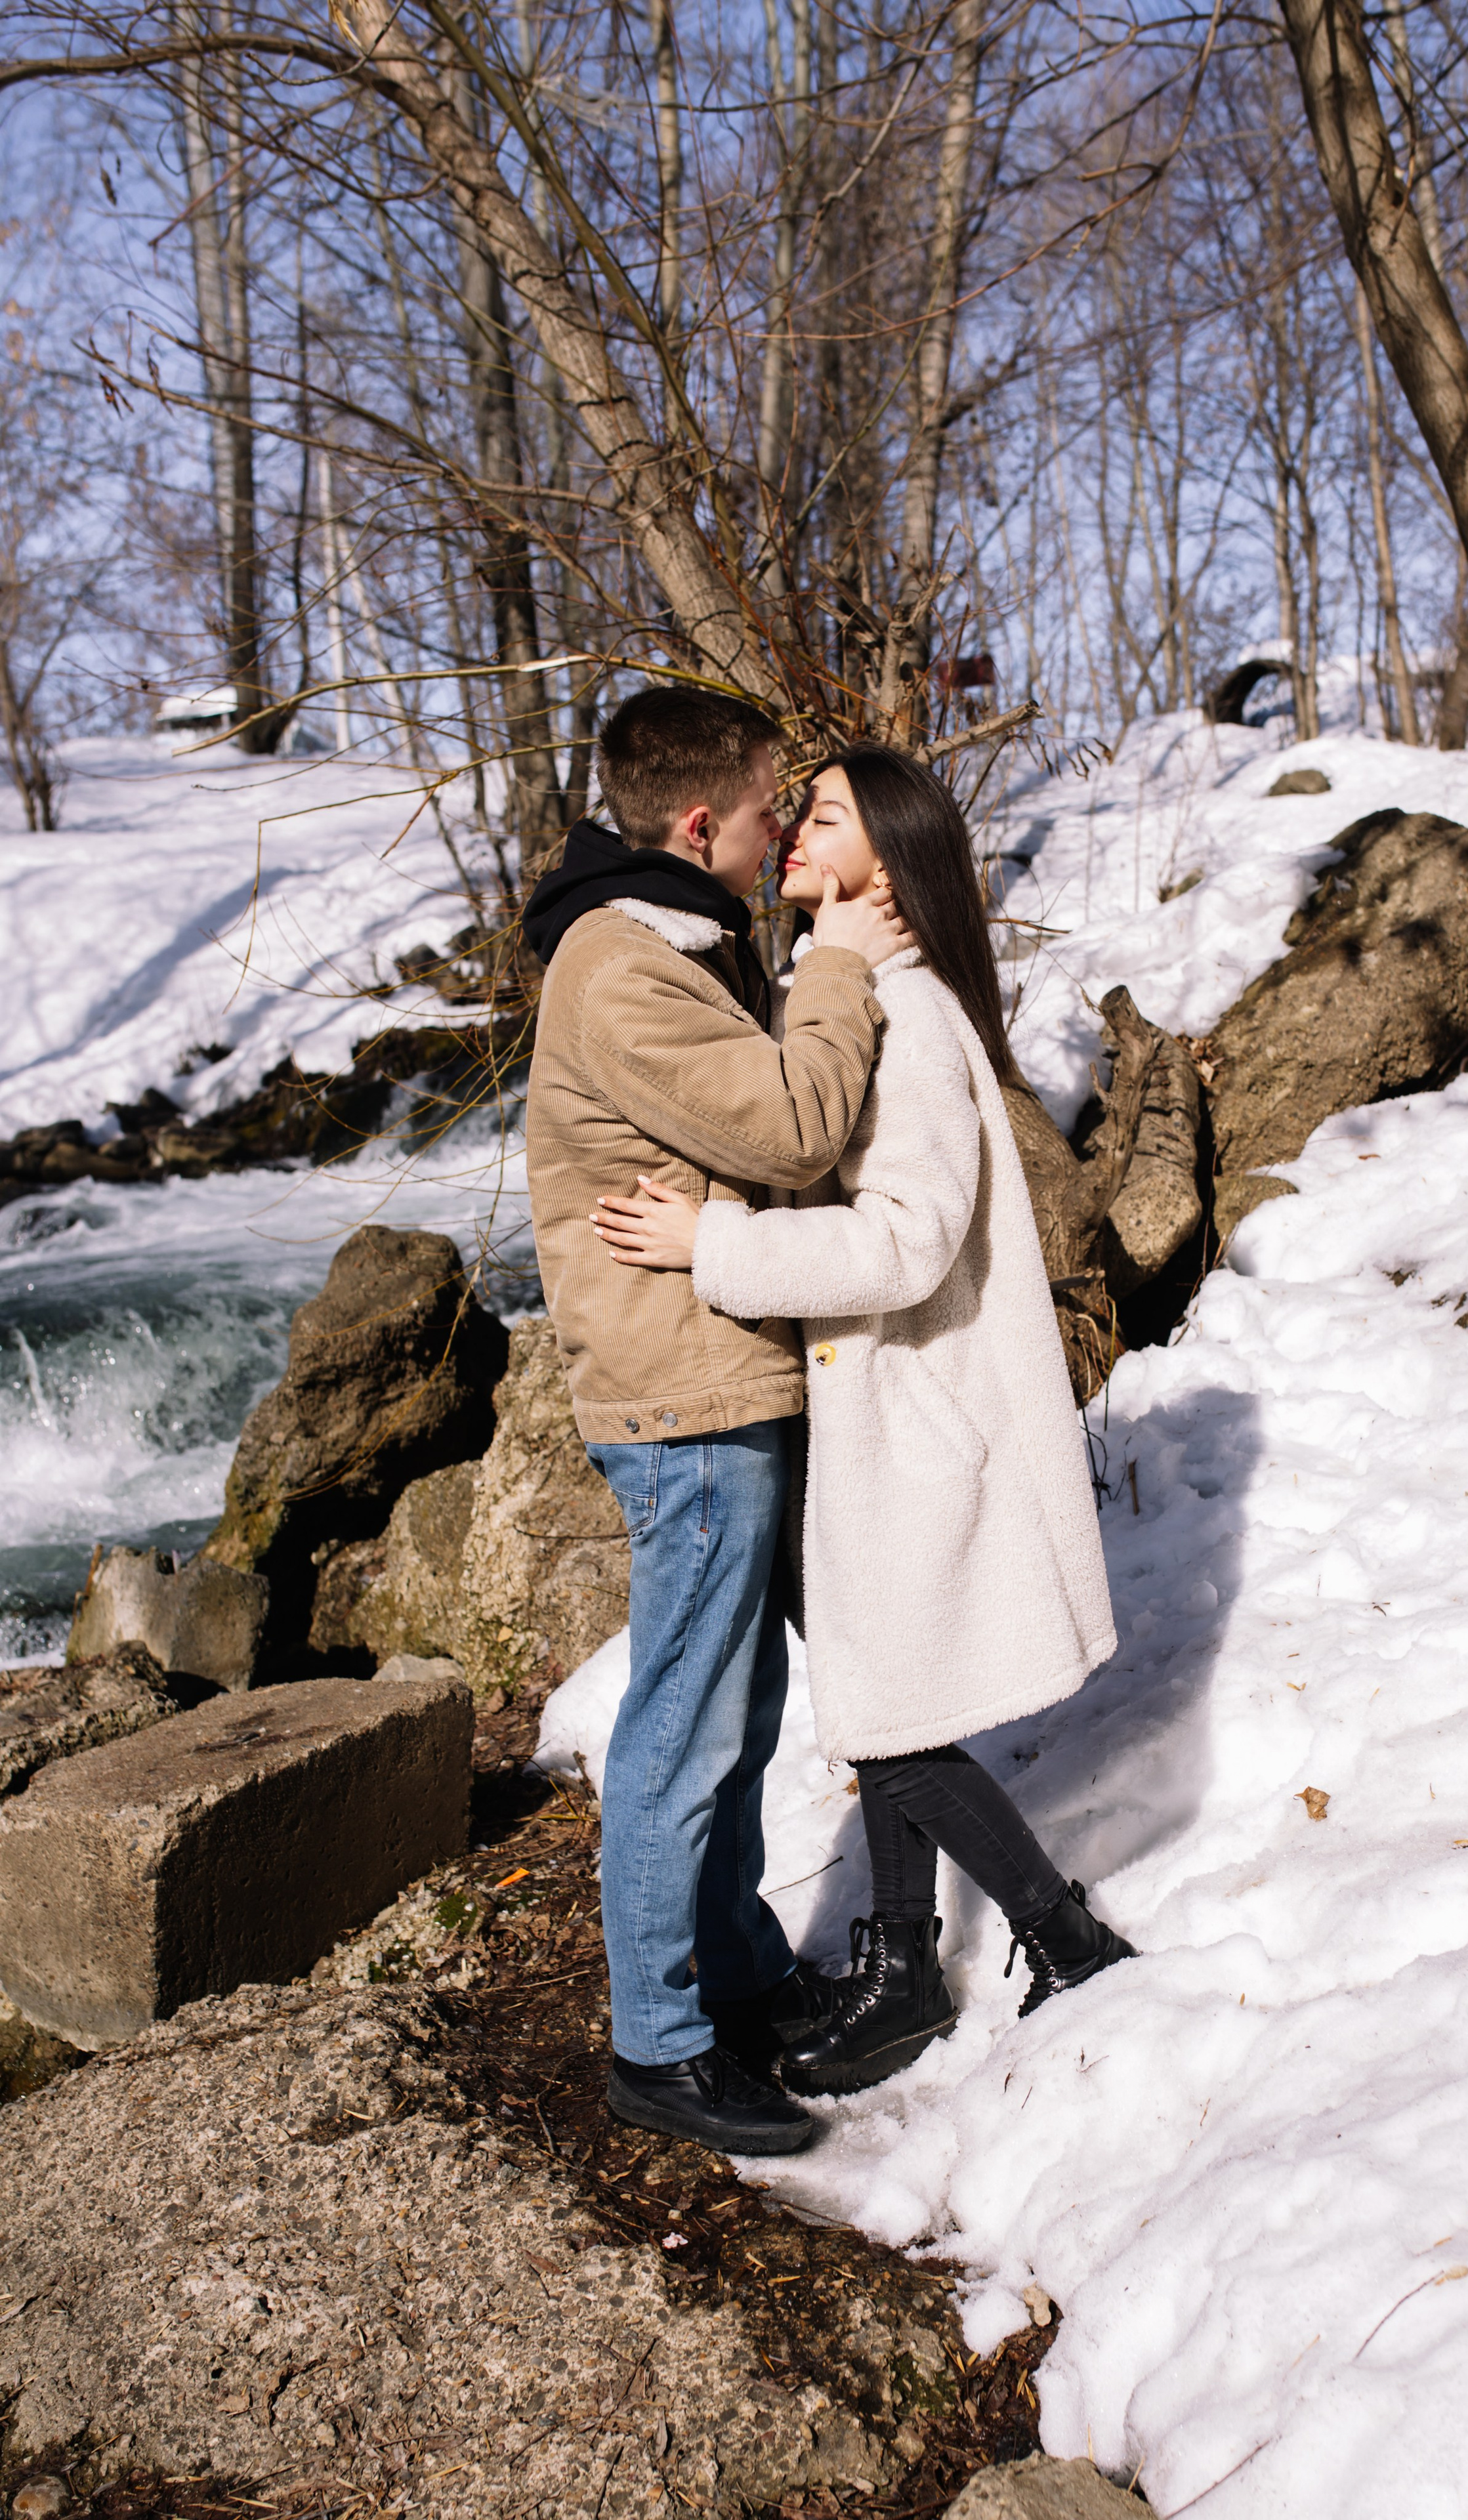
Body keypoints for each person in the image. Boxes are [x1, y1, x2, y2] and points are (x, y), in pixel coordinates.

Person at [589, 744, 1133, 2096]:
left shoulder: (916, 1021)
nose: (791, 831)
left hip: (919, 1414)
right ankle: (900, 1963)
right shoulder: (859, 999)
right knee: (881, 1694)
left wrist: (709, 1246)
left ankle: (1060, 1940)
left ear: (882, 867)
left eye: (820, 816)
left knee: (889, 1715)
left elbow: (898, 1246)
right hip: (877, 1412)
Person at [522, 689, 908, 2154]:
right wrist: (838, 962)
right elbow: (795, 1126)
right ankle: (660, 2044)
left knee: (733, 1716)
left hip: (712, 1380)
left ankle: (734, 1974)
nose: (774, 836)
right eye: (766, 813)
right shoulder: (623, 970)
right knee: (682, 1728)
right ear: (700, 826)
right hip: (679, 1403)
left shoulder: (663, 947)